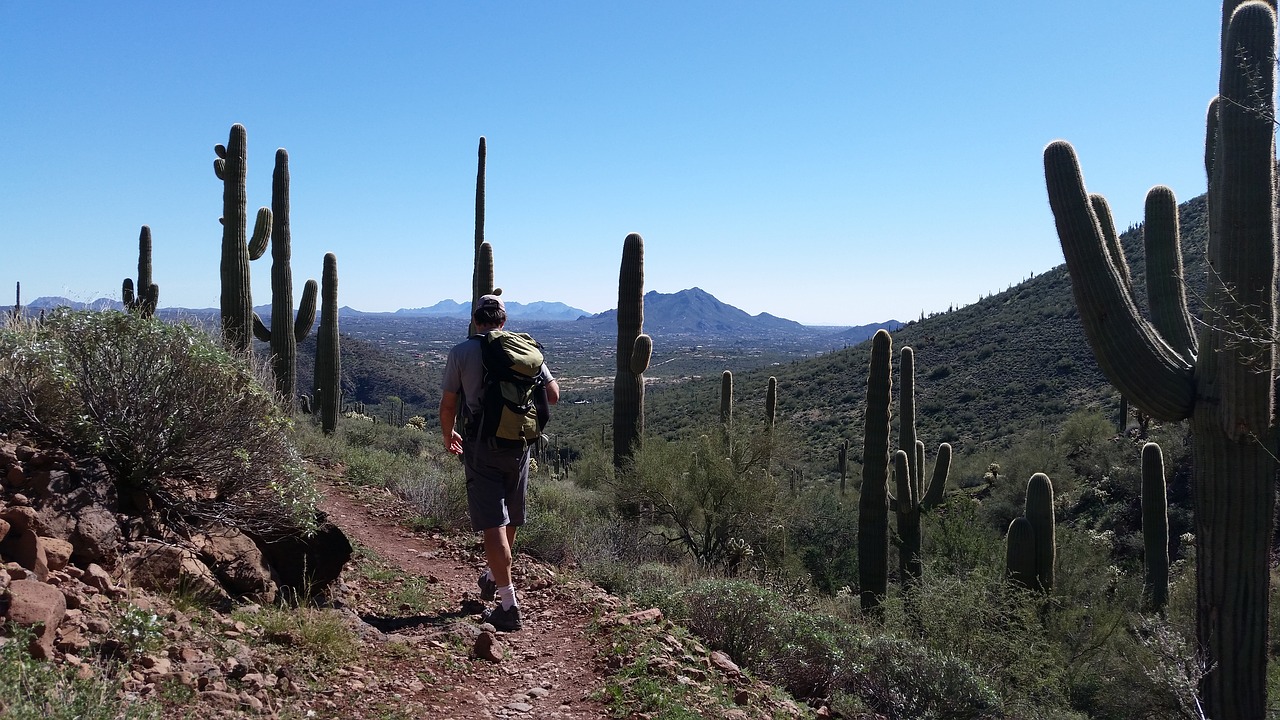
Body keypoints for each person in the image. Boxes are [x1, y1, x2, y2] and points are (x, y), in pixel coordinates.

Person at [439, 294, 559, 631]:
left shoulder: (462, 352)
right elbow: (553, 394)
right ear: (503, 322)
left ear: (476, 320)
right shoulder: (522, 349)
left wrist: (449, 435)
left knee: (493, 522)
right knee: (511, 516)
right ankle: (493, 574)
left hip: (481, 445)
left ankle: (508, 605)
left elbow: (449, 404)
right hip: (519, 445)